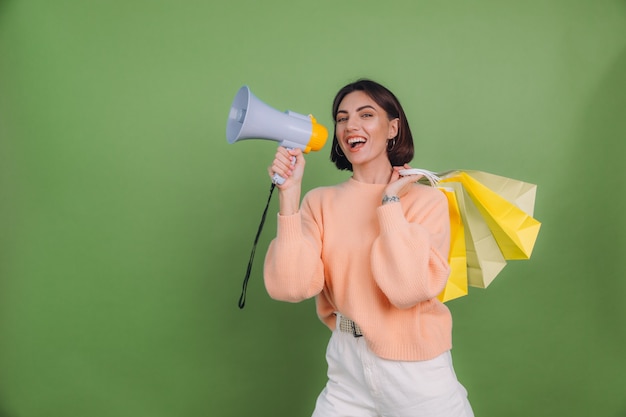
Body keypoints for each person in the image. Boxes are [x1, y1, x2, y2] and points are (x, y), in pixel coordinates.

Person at [263, 79, 474, 417]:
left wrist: (390, 203)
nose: (351, 126)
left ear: (393, 127)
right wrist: (289, 195)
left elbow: (407, 290)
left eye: (366, 114)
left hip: (416, 372)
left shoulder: (426, 201)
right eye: (342, 118)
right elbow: (290, 287)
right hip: (346, 368)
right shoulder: (319, 202)